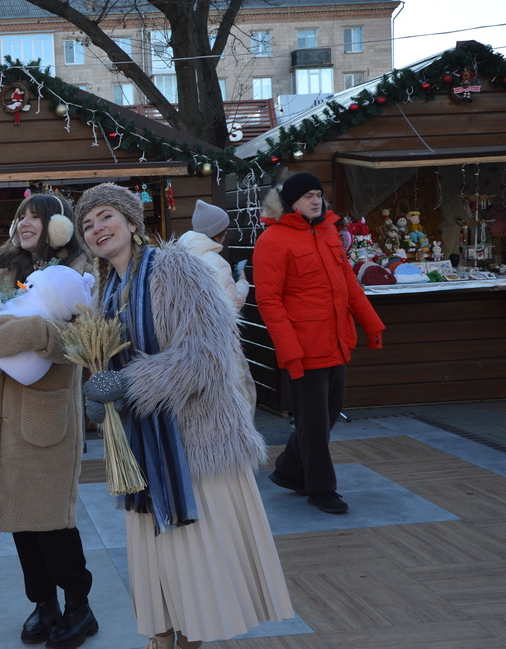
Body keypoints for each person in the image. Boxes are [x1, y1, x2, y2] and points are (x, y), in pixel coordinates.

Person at [75, 183, 293, 649]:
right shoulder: (107, 290)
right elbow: (109, 363)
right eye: (88, 225)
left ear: (133, 224)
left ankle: (192, 636)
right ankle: (162, 633)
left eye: (107, 217)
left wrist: (128, 385)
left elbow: (207, 353)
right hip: (144, 450)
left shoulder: (174, 268)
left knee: (197, 555)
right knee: (158, 554)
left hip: (195, 442)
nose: (98, 228)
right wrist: (101, 398)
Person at [0, 192, 97, 649]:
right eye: (22, 215)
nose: (25, 223)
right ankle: (43, 604)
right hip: (0, 412)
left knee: (53, 519)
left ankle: (79, 605)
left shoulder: (78, 272)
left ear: (57, 226)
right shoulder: (3, 276)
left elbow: (85, 341)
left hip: (46, 412)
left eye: (36, 217)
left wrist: (41, 334)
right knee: (20, 517)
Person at [253, 172, 385, 515]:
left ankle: (290, 469)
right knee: (312, 422)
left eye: (319, 194)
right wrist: (288, 351)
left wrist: (371, 324)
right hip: (303, 347)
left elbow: (349, 287)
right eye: (308, 195)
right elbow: (269, 302)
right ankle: (321, 488)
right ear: (290, 203)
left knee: (326, 417)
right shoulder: (272, 241)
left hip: (337, 342)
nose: (316, 201)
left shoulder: (328, 232)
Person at [177, 200, 255, 408]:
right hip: (221, 341)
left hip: (191, 343)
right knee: (240, 393)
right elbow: (233, 302)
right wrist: (243, 281)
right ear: (220, 232)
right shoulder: (215, 260)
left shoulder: (181, 257)